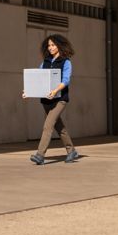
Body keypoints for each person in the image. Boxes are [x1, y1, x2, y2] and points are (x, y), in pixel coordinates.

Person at [23, 34, 79, 164]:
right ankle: (71, 151)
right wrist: (28, 92)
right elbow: (37, 78)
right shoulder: (46, 61)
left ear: (59, 45)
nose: (50, 47)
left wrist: (55, 91)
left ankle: (40, 155)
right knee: (59, 127)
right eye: (49, 45)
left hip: (60, 99)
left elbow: (65, 80)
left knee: (47, 126)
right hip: (46, 100)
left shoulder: (66, 62)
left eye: (53, 45)